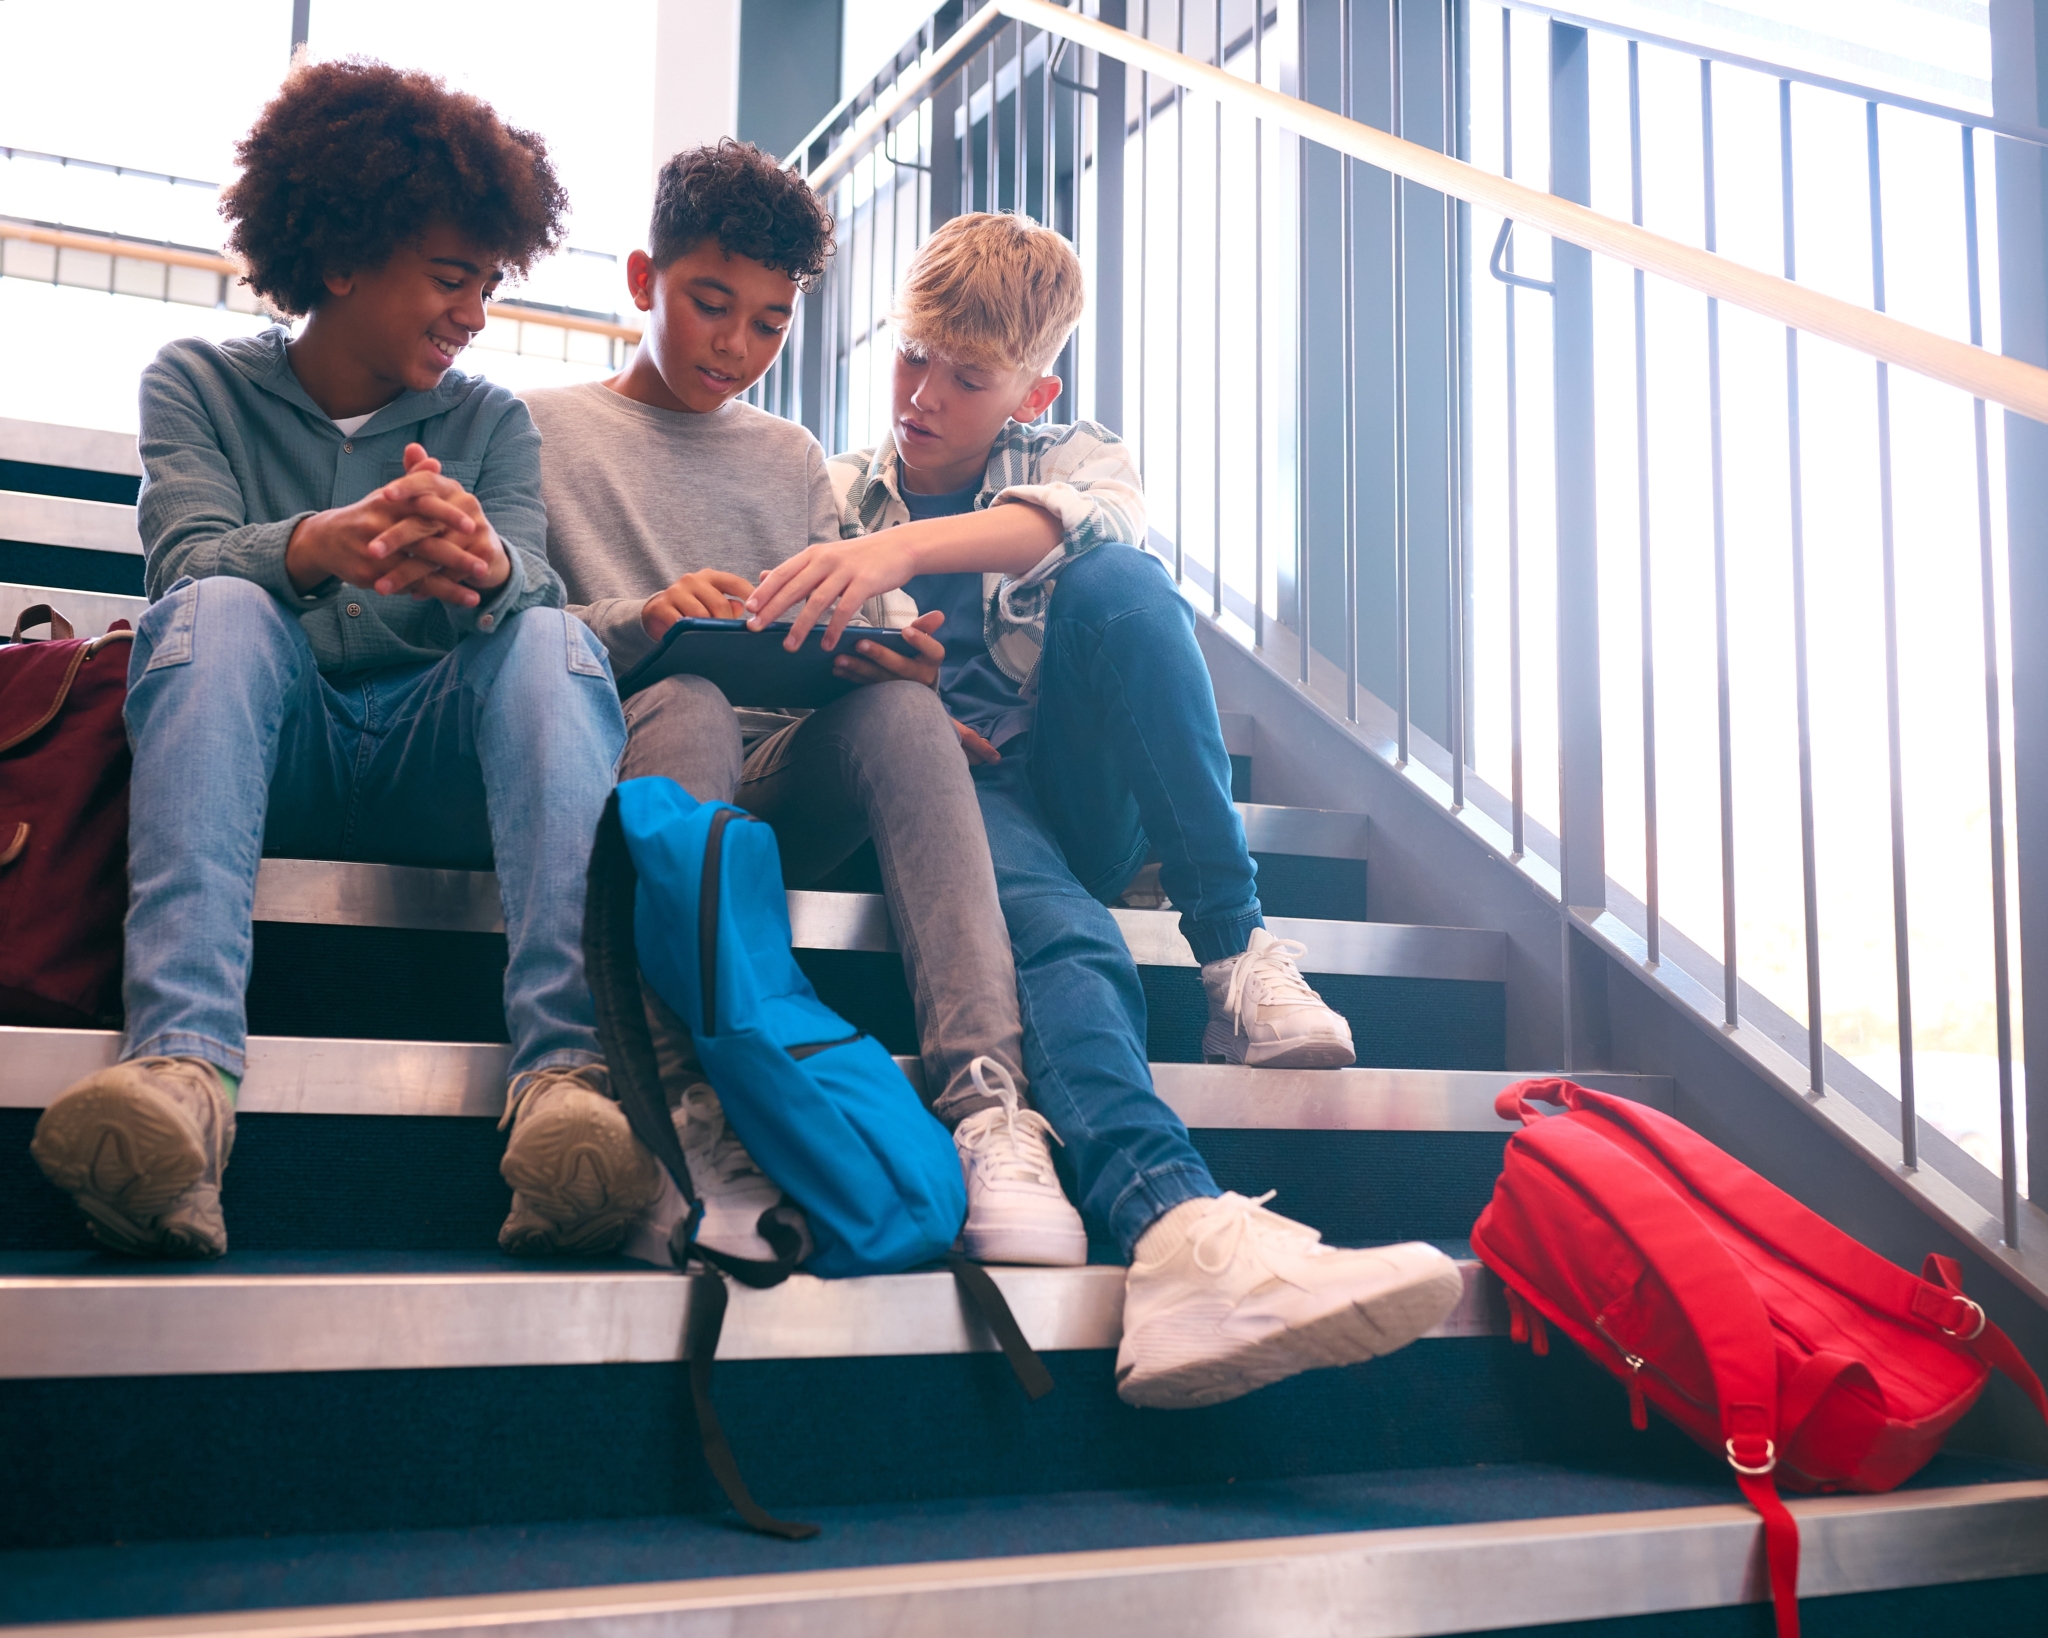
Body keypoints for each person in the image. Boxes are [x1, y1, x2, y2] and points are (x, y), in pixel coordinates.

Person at [745, 212, 1464, 1409]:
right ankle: (1175, 1228)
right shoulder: (832, 492)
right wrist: (889, 674)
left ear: (1033, 388)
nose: (921, 396)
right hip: (951, 792)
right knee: (1068, 937)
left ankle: (1233, 949)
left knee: (1125, 585)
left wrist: (899, 557)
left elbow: (1096, 528)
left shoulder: (1074, 452)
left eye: (965, 379)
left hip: (1079, 788)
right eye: (910, 356)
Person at [29, 60, 656, 1260]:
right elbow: (184, 565)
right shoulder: (197, 383)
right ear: (340, 259)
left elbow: (531, 588)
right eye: (450, 277)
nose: (475, 312)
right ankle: (181, 1076)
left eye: (489, 282)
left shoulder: (491, 423)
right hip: (277, 754)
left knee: (548, 636)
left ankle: (569, 1085)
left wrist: (483, 563)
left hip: (438, 769)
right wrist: (318, 548)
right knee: (210, 612)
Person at [523, 141, 1084, 1269]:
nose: (736, 347)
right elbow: (506, 644)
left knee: (905, 713)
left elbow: (840, 621)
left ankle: (986, 1105)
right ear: (643, 281)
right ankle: (683, 1095)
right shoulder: (537, 429)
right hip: (631, 769)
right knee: (681, 689)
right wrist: (645, 616)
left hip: (779, 775)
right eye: (709, 306)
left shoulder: (790, 459)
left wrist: (888, 657)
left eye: (769, 324)